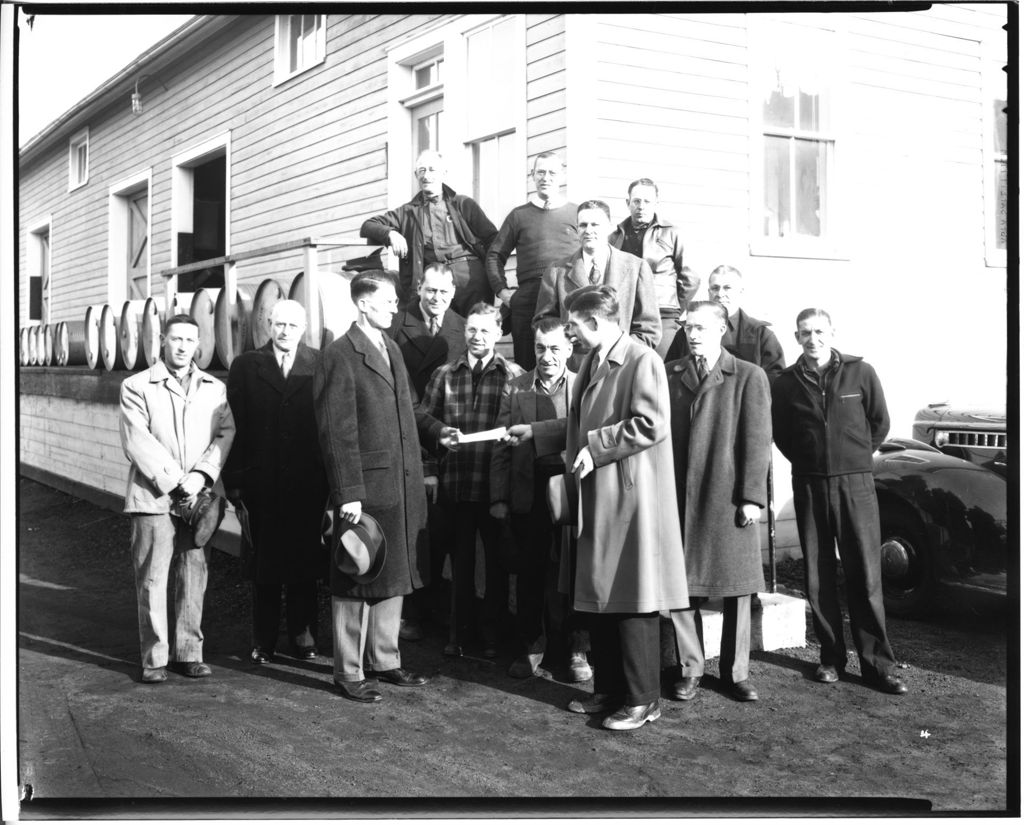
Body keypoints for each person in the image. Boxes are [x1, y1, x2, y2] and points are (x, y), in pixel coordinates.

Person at [313, 272, 456, 704]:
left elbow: (412, 408)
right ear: (362, 304)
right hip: (366, 489)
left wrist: (438, 432)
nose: (396, 307)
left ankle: (385, 660)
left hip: (400, 483)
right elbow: (335, 432)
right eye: (389, 301)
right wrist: (347, 492)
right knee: (357, 575)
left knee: (392, 576)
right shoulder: (340, 354)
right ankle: (349, 670)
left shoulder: (390, 347)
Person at [562, 286, 688, 731]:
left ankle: (642, 700)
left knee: (633, 597)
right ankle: (611, 690)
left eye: (574, 326)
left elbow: (651, 423)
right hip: (601, 495)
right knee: (602, 593)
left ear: (594, 322)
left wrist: (595, 449)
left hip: (631, 499)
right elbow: (582, 421)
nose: (569, 334)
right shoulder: (592, 362)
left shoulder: (641, 360)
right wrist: (535, 432)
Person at [771, 308, 907, 695]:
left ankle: (877, 665)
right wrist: (810, 460)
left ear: (832, 333)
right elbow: (782, 434)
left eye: (819, 331)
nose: (812, 339)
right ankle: (830, 658)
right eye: (804, 333)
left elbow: (879, 422)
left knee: (865, 573)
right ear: (796, 338)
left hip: (856, 485)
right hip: (810, 484)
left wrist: (855, 458)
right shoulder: (786, 384)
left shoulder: (860, 372)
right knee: (818, 574)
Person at [664, 301, 772, 703]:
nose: (693, 334)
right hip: (681, 494)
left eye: (701, 327)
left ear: (721, 329)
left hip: (727, 497)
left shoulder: (748, 376)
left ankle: (736, 672)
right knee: (683, 587)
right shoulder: (670, 373)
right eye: (688, 327)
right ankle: (690, 670)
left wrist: (751, 498)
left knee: (737, 588)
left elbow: (757, 441)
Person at [119, 313, 235, 684]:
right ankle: (154, 659)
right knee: (153, 578)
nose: (183, 347)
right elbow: (137, 440)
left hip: (199, 498)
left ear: (198, 344)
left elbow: (225, 433)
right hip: (153, 497)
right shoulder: (136, 386)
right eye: (176, 339)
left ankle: (189, 653)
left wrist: (202, 475)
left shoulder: (214, 387)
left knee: (193, 574)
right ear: (162, 342)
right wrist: (174, 481)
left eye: (190, 340)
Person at [223, 299, 328, 665]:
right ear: (268, 325)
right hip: (261, 484)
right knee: (264, 568)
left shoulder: (319, 363)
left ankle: (305, 639)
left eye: (293, 326)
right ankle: (263, 642)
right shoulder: (246, 366)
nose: (285, 332)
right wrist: (234, 484)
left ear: (304, 328)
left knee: (305, 565)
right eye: (279, 325)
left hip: (307, 484)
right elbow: (232, 427)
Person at [419, 303, 525, 658]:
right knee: (461, 565)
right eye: (471, 331)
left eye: (485, 331)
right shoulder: (445, 375)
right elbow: (423, 421)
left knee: (495, 567)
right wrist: (432, 466)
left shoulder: (514, 376)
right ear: (463, 333)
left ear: (498, 333)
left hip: (494, 490)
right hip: (457, 486)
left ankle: (492, 637)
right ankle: (459, 635)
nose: (477, 338)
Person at [490, 317, 591, 682]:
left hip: (569, 494)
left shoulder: (583, 387)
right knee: (531, 572)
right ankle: (531, 645)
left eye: (554, 349)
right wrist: (499, 498)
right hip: (527, 494)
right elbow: (501, 449)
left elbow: (584, 435)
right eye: (539, 348)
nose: (546, 357)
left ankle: (577, 649)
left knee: (575, 571)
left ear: (569, 349)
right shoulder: (515, 389)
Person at [386, 262, 466, 637]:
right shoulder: (395, 325)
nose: (437, 298)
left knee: (445, 531)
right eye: (430, 291)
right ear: (418, 288)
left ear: (453, 293)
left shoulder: (463, 329)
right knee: (415, 528)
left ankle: (442, 613)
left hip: (450, 439)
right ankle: (412, 613)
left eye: (444, 292)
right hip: (408, 438)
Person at [360, 150, 498, 312]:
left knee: (475, 327)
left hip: (470, 278)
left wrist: (495, 278)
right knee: (439, 331)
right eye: (422, 170)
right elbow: (368, 225)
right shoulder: (407, 212)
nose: (427, 175)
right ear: (416, 175)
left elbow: (492, 239)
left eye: (432, 170)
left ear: (443, 174)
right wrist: (391, 233)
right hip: (434, 281)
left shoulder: (463, 204)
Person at [485, 152, 580, 370]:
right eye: (541, 172)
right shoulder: (519, 216)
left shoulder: (577, 214)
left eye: (552, 172)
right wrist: (502, 292)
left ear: (562, 175)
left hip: (568, 295)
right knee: (528, 364)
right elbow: (494, 255)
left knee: (570, 362)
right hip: (529, 299)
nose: (546, 177)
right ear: (532, 176)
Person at [534, 200, 661, 356]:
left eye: (595, 225)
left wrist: (621, 352)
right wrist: (566, 337)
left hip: (620, 366)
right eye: (583, 225)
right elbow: (544, 322)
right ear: (576, 229)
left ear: (609, 227)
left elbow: (649, 328)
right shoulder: (556, 272)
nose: (588, 230)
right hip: (574, 366)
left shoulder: (637, 267)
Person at [608, 178, 699, 359]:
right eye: (636, 201)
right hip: (626, 317)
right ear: (628, 203)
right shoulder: (615, 237)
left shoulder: (672, 233)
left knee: (661, 368)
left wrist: (675, 308)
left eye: (647, 201)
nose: (641, 206)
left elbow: (691, 278)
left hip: (662, 315)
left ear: (656, 203)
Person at [665, 265, 785, 381]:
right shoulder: (687, 332)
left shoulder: (760, 334)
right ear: (708, 292)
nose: (720, 294)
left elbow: (774, 380)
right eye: (715, 288)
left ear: (740, 292)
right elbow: (671, 373)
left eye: (727, 288)